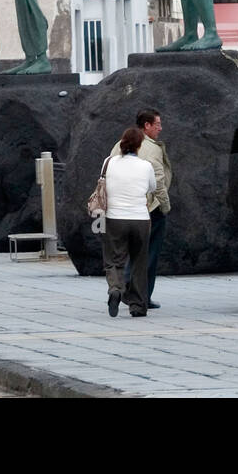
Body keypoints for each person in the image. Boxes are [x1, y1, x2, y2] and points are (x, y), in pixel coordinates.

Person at [110, 109, 172, 309]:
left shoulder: (116, 147)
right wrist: (165, 206)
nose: (160, 129)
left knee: (118, 256)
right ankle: (140, 296)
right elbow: (158, 182)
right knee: (146, 254)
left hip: (117, 211)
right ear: (146, 126)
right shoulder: (152, 149)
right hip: (146, 209)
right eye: (157, 124)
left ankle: (117, 289)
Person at [102, 126, 157, 318]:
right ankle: (138, 306)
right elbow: (152, 188)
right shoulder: (146, 166)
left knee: (114, 260)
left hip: (115, 218)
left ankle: (115, 289)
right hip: (140, 218)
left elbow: (103, 185)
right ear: (140, 145)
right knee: (139, 262)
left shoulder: (108, 163)